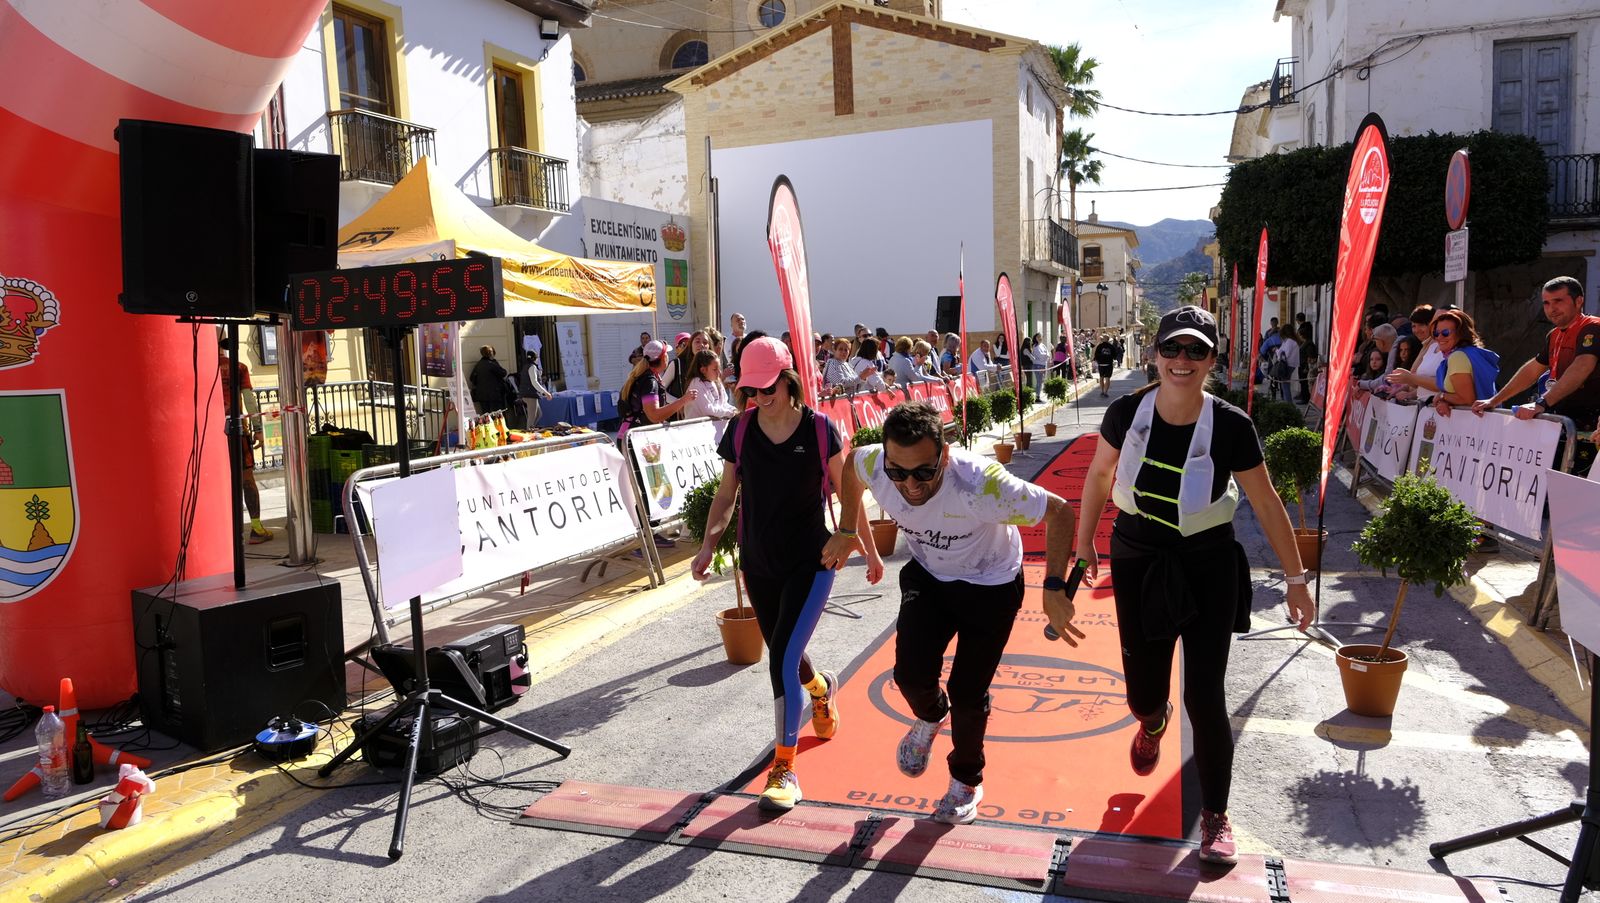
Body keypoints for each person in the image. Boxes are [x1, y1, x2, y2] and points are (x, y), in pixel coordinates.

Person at [1073, 306, 1314, 866]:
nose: (1182, 361)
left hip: (1207, 563)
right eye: (1172, 350)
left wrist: (1297, 579)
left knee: (1204, 697)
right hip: (1136, 558)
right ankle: (1151, 723)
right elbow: (1099, 476)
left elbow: (1267, 501)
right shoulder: (1125, 412)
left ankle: (1215, 816)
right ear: (1155, 354)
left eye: (1195, 351)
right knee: (1144, 694)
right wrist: (1084, 542)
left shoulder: (1232, 425)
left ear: (1211, 359)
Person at [821, 401, 1082, 824]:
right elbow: (851, 465)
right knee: (908, 675)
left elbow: (1060, 512)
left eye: (924, 472)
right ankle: (929, 716)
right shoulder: (874, 461)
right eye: (897, 472)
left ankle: (965, 780)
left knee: (966, 693)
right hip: (929, 577)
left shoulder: (982, 485)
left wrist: (1053, 585)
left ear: (944, 454)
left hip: (991, 586)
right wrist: (849, 527)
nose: (910, 485)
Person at [692, 337, 883, 812]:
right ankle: (821, 689)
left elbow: (849, 487)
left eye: (768, 386)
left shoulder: (819, 430)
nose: (759, 397)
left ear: (788, 378)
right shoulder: (739, 431)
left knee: (780, 661)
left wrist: (864, 547)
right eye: (751, 390)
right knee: (784, 649)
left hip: (812, 561)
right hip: (758, 561)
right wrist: (708, 544)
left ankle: (785, 768)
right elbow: (725, 494)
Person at [1472, 277, 1600, 475]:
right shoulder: (1554, 334)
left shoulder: (1592, 327)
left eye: (1559, 301)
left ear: (1579, 301)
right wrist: (1494, 400)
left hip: (1590, 431)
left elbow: (1582, 366)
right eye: (1547, 303)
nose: (1551, 308)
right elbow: (1533, 369)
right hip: (1566, 427)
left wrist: (1541, 403)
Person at [219, 344, 271, 544]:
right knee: (247, 477)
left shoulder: (201, 367)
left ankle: (228, 531)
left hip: (212, 433)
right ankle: (256, 528)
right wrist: (258, 429)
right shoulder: (238, 367)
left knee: (222, 482)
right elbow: (249, 400)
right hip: (237, 431)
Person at [617, 340, 698, 444]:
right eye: (667, 354)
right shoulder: (649, 381)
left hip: (633, 437)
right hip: (635, 441)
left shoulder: (645, 376)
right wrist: (683, 400)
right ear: (664, 358)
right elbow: (654, 415)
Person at [683, 350, 740, 420]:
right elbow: (708, 410)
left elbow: (723, 404)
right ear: (703, 370)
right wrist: (730, 413)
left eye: (719, 368)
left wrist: (734, 410)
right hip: (698, 428)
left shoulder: (717, 382)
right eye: (715, 369)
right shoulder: (696, 383)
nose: (719, 372)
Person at [519, 337, 555, 428]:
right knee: (531, 418)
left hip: (526, 394)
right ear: (535, 358)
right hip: (530, 395)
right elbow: (534, 382)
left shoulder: (526, 366)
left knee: (538, 414)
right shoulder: (532, 367)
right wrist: (546, 392)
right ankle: (529, 435)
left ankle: (531, 430)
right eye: (537, 357)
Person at [469, 345, 513, 415]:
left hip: (482, 395)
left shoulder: (479, 364)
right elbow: (503, 373)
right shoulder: (492, 364)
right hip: (494, 395)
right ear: (491, 353)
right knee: (497, 414)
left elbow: (471, 378)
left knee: (486, 415)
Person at [1270, 324, 1300, 404]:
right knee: (1284, 384)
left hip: (1288, 365)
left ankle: (1289, 405)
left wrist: (1276, 351)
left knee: (1285, 385)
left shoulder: (1290, 341)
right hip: (1289, 364)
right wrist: (1277, 350)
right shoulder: (1289, 341)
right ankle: (1288, 403)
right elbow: (1282, 350)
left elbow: (1285, 354)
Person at [1295, 321, 1318, 404]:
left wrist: (1306, 367)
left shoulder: (1309, 344)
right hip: (1301, 365)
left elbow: (1310, 357)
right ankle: (1303, 396)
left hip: (1305, 366)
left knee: (1305, 383)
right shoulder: (1304, 343)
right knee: (1302, 382)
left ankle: (1306, 398)